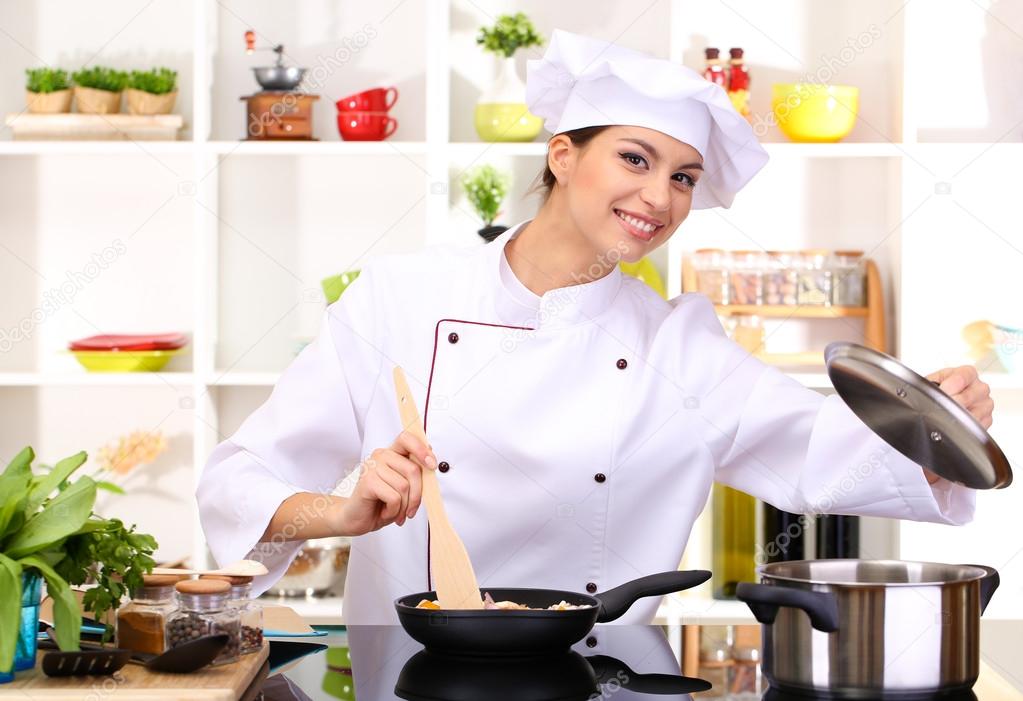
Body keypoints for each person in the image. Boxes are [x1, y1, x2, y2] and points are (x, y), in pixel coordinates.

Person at [197, 30, 993, 625]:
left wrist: (934, 425)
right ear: (563, 156)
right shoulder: (398, 299)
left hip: (599, 675)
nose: (660, 197)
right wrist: (341, 515)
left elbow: (818, 449)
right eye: (635, 159)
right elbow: (239, 479)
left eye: (683, 178)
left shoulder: (675, 344)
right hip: (413, 669)